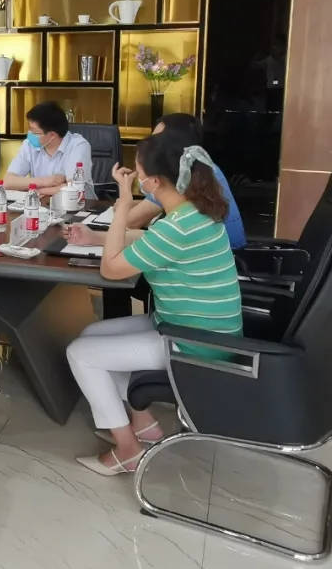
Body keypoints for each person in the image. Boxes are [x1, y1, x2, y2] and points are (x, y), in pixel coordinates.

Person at [65, 132, 242, 476]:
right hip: (189, 327)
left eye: (139, 174)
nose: (138, 180)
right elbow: (148, 241)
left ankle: (127, 450)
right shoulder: (192, 213)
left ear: (156, 181)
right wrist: (96, 237)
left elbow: (111, 268)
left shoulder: (177, 228)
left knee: (79, 353)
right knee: (90, 334)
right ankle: (143, 422)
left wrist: (123, 204)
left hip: (195, 344)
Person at [64, 113, 246, 250]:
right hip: (222, 252)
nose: (151, 144)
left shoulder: (178, 175)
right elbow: (152, 209)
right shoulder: (200, 165)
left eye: (155, 139)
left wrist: (124, 201)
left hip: (221, 258)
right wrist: (128, 204)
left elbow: (131, 222)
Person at [4, 101, 94, 200]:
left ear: (52, 135)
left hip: (80, 204)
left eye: (35, 132)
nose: (30, 134)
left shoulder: (78, 145)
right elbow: (8, 182)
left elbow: (74, 189)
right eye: (30, 129)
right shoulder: (29, 145)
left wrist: (35, 190)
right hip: (41, 205)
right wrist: (47, 181)